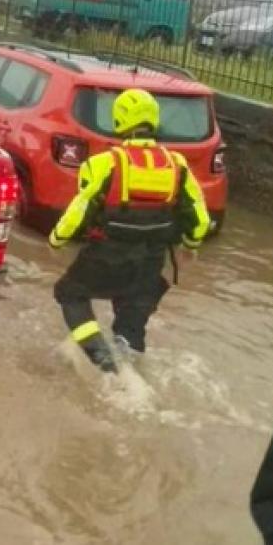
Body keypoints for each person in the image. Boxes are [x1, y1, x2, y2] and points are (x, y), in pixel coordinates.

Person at [49, 88, 211, 373]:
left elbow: (79, 209)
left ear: (119, 121)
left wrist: (57, 239)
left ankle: (103, 362)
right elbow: (198, 216)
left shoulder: (102, 164)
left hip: (107, 254)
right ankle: (133, 371)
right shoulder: (178, 166)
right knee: (133, 316)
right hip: (151, 261)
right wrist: (191, 244)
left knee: (70, 293)